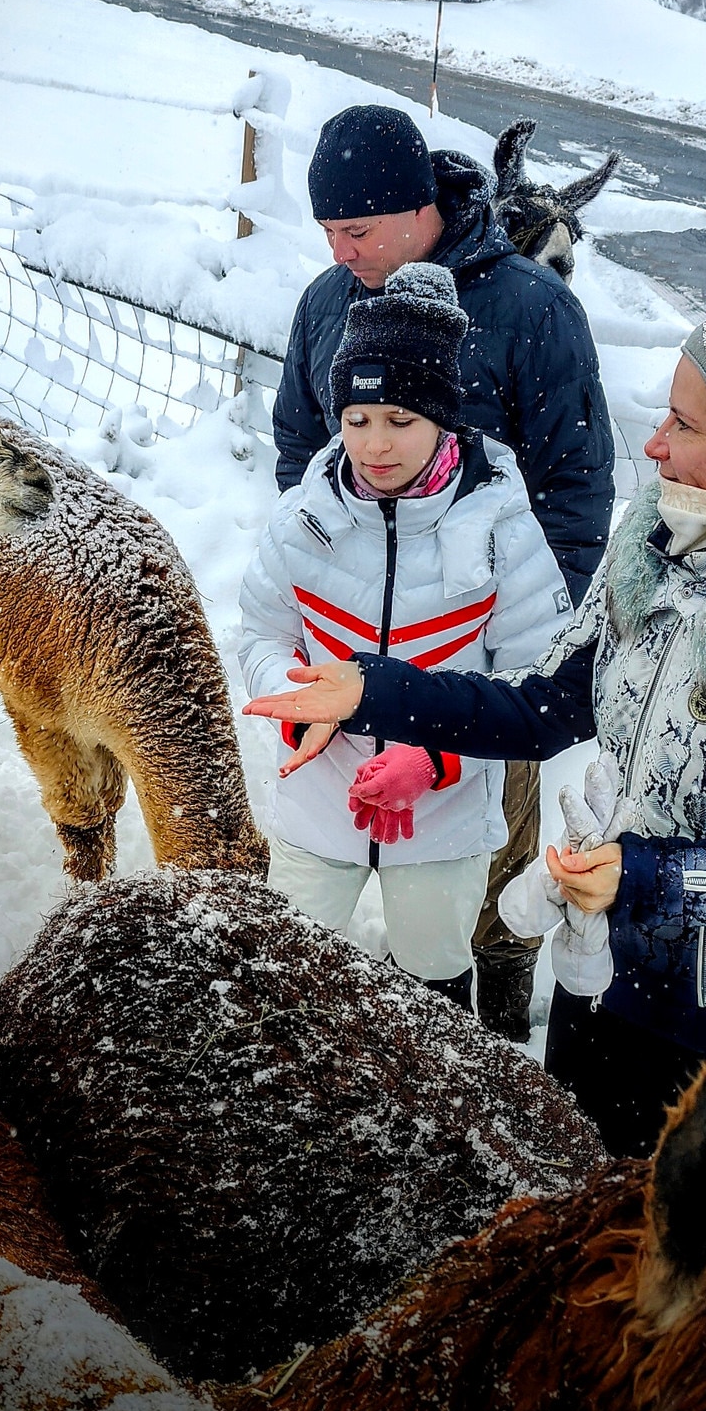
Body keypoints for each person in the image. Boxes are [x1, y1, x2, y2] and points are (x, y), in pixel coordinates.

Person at [245, 298, 706, 1156]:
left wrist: (647, 878)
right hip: (597, 976)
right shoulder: (656, 545)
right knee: (565, 1196)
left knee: (665, 1256)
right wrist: (370, 693)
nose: (655, 442)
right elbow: (545, 702)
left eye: (684, 422)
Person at [273, 101, 615, 1043]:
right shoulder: (327, 304)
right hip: (345, 662)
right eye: (328, 234)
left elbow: (576, 486)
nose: (341, 252)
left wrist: (535, 650)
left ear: (420, 206)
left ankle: (488, 1051)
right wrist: (318, 584)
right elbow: (298, 448)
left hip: (477, 664)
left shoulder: (526, 311)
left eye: (358, 230)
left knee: (480, 889)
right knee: (320, 881)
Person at [240, 260, 573, 1007]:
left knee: (431, 981)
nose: (375, 445)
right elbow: (262, 632)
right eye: (356, 420)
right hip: (320, 795)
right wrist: (301, 714)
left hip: (441, 815)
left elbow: (536, 680)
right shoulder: (303, 521)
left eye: (400, 420)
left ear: (444, 418)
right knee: (289, 981)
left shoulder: (500, 529)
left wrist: (435, 761)